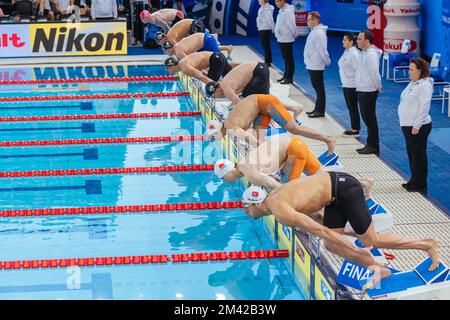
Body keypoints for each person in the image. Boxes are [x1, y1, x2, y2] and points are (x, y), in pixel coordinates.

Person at [241, 172, 441, 291]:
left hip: (344, 189)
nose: (246, 212)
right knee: (331, 245)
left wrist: (360, 248)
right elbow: (318, 219)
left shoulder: (280, 211)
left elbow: (321, 231)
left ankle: (427, 244)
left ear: (256, 203)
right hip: (333, 195)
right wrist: (349, 234)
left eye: (247, 208)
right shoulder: (274, 198)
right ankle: (378, 268)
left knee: (372, 240)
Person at [205, 94, 336, 153]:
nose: (215, 140)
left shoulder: (230, 128)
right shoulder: (226, 122)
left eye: (213, 138)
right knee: (258, 139)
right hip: (260, 109)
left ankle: (328, 139)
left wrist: (261, 146)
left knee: (294, 129)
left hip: (266, 104)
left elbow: (251, 140)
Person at [214, 134, 327, 192]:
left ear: (228, 171)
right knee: (325, 179)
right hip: (295, 142)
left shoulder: (249, 173)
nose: (224, 181)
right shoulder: (244, 162)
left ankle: (317, 218)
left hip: (293, 150)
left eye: (223, 177)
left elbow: (277, 188)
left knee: (289, 191)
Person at [398, 58, 433, 193]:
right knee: (412, 154)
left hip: (418, 127)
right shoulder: (414, 83)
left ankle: (420, 184)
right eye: (409, 69)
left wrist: (417, 126)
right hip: (408, 125)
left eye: (412, 69)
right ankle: (414, 179)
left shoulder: (424, 85)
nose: (409, 72)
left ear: (420, 70)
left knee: (418, 155)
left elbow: (424, 107)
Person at [355, 30, 382, 155]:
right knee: (367, 118)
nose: (357, 41)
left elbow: (375, 73)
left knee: (370, 119)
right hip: (363, 89)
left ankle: (374, 146)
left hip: (368, 90)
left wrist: (378, 87)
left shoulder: (371, 54)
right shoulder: (364, 53)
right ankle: (370, 144)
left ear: (367, 41)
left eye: (360, 39)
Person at [304, 11, 331, 118]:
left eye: (308, 20)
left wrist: (327, 62)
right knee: (317, 88)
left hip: (316, 65)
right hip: (312, 64)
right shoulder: (314, 31)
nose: (307, 22)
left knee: (319, 89)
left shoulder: (319, 33)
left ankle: (320, 111)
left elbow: (323, 50)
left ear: (315, 20)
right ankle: (317, 108)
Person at [204, 62, 270, 105]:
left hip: (258, 72)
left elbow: (239, 103)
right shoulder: (223, 81)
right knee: (263, 100)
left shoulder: (226, 88)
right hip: (260, 67)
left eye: (214, 96)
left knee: (246, 101)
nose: (216, 98)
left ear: (216, 90)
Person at [165, 51, 237, 84]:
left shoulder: (185, 68)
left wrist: (210, 89)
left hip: (215, 60)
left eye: (167, 68)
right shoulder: (183, 62)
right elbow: (201, 72)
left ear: (172, 66)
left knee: (212, 87)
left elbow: (202, 78)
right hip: (218, 56)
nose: (167, 70)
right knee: (234, 77)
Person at [338, 33, 361, 136]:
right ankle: (354, 127)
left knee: (352, 107)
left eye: (345, 40)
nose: (343, 41)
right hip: (346, 83)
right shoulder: (347, 51)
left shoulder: (354, 54)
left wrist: (358, 84)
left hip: (352, 85)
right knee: (350, 107)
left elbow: (359, 70)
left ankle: (355, 129)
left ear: (351, 42)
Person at [164, 31, 233, 60]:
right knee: (206, 60)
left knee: (219, 62)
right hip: (204, 39)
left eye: (166, 51)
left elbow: (190, 62)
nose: (166, 53)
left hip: (206, 40)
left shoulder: (178, 51)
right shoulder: (177, 45)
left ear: (169, 49)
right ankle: (228, 47)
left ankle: (235, 68)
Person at [274, 0, 296, 84]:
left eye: (277, 2)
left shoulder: (288, 12)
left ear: (282, 1)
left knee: (289, 58)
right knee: (285, 58)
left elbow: (292, 25)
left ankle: (289, 77)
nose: (276, 4)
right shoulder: (281, 11)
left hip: (287, 39)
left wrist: (292, 35)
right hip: (281, 38)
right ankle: (286, 75)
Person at [256, 0, 274, 67]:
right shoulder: (261, 8)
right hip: (262, 28)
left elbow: (270, 19)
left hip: (266, 28)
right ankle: (267, 60)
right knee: (264, 45)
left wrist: (272, 28)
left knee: (266, 45)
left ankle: (268, 62)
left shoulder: (268, 8)